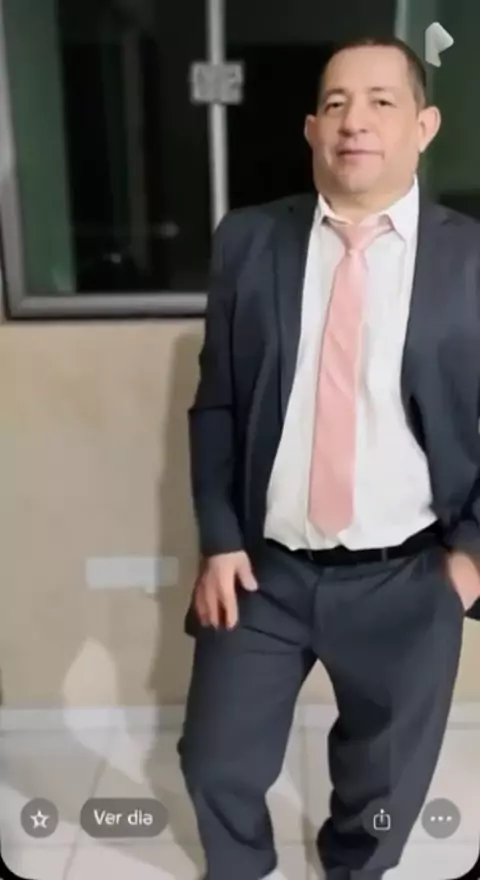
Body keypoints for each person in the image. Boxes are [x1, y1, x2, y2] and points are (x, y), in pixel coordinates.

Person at [178, 36, 480, 880]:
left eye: (382, 101)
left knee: (381, 796)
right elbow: (218, 402)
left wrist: (468, 562)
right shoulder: (249, 241)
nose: (356, 121)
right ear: (313, 129)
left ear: (424, 125)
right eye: (337, 103)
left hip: (409, 577)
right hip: (263, 571)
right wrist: (219, 538)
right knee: (215, 763)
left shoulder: (471, 259)